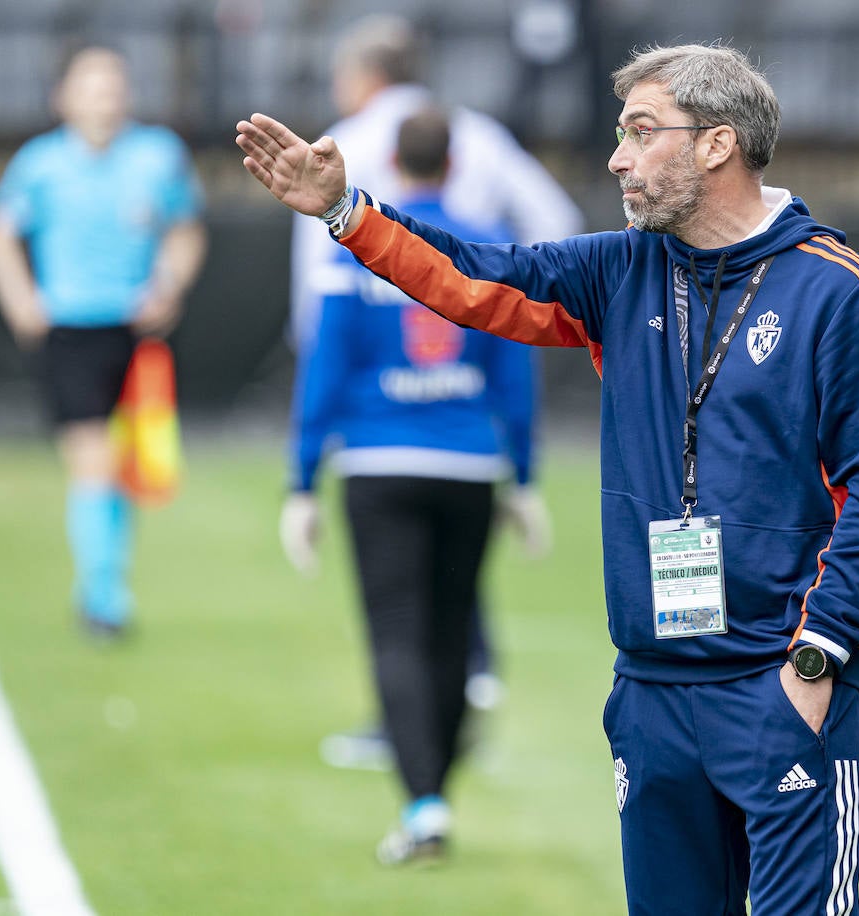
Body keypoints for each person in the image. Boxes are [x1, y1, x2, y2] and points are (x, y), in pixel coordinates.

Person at [239, 42, 859, 913]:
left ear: (717, 144)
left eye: (641, 132)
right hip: (653, 690)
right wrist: (345, 210)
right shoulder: (621, 269)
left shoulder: (841, 293)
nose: (617, 157)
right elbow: (475, 281)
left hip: (780, 683)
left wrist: (816, 665)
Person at [278, 104, 549, 865]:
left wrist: (301, 482)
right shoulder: (477, 248)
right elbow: (513, 365)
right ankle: (438, 791)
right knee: (454, 630)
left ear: (392, 166)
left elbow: (324, 367)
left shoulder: (357, 249)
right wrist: (523, 477)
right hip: (468, 464)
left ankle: (423, 805)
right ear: (455, 167)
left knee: (395, 632)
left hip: (376, 462)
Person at [0, 46, 205, 638]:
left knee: (130, 466)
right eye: (91, 86)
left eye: (113, 86)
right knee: (91, 460)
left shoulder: (157, 156)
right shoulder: (42, 164)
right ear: (65, 98)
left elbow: (185, 229)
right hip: (72, 331)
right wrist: (21, 299)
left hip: (136, 332)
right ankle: (101, 596)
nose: (105, 97)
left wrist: (170, 286)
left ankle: (107, 582)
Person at [289, 14, 584, 345]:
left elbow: (318, 267)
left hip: (376, 338)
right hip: (473, 327)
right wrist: (511, 301)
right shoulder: (481, 134)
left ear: (368, 77)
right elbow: (556, 220)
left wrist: (313, 342)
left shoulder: (341, 144)